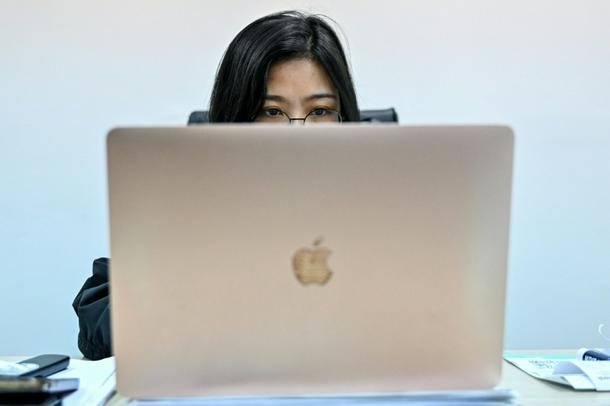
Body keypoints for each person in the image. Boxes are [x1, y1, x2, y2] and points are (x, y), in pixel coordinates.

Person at [72, 10, 360, 360]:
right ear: (235, 117)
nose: (298, 133)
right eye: (272, 111)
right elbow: (99, 319)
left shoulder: (381, 203)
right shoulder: (196, 201)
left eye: (320, 111)